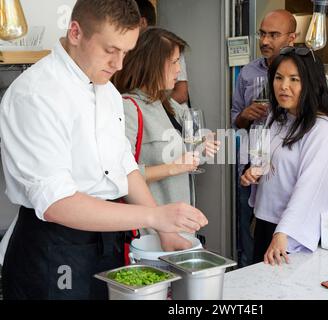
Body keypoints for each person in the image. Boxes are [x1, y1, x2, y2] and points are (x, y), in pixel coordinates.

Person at [0, 0, 207, 300]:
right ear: (75, 32)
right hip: (54, 247)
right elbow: (56, 203)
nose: (119, 64)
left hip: (106, 244)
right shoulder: (36, 94)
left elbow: (125, 167)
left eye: (126, 52)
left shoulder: (107, 91)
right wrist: (154, 217)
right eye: (110, 50)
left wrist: (165, 231)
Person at [112, 27, 219, 245]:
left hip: (180, 227)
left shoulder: (169, 104)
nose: (179, 70)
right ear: (151, 63)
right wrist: (175, 167)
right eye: (174, 62)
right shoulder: (127, 108)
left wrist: (204, 144)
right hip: (148, 235)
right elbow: (120, 176)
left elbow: (192, 153)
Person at [240, 46, 328, 265]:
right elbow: (265, 159)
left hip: (293, 233)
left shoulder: (321, 129)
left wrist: (283, 233)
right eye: (278, 78)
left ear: (311, 83)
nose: (283, 86)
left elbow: (310, 187)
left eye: (294, 79)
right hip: (266, 222)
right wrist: (254, 171)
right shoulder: (277, 118)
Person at [231, 9, 296, 268]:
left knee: (279, 228)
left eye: (273, 35)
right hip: (250, 162)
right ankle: (247, 273)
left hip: (283, 166)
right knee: (247, 230)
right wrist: (246, 115)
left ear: (292, 38)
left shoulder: (303, 74)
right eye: (262, 33)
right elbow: (235, 120)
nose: (265, 41)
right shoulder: (247, 73)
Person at [135, 0, 190, 107]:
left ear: (142, 22)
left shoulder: (167, 46)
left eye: (176, 61)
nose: (178, 69)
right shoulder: (131, 50)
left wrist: (155, 107)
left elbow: (182, 93)